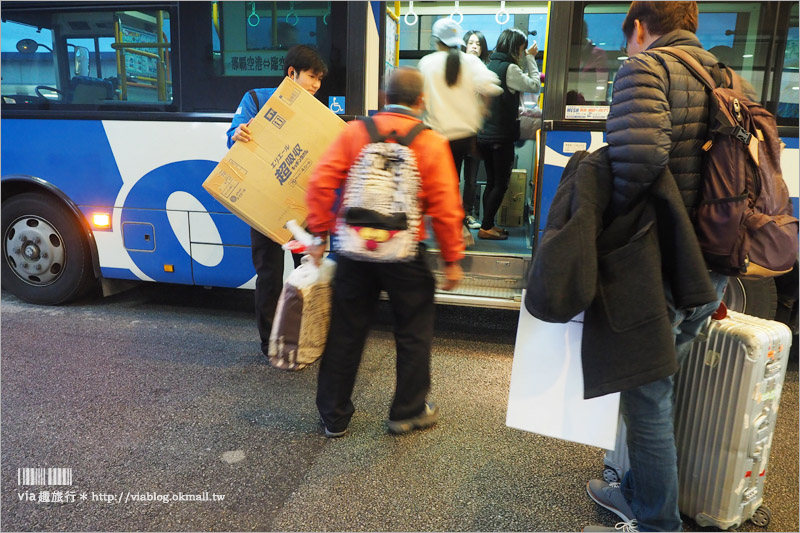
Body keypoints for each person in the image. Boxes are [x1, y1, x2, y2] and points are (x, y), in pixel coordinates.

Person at [582, 3, 746, 531]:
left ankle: (656, 522)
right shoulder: (727, 75)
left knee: (647, 393)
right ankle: (637, 491)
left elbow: (639, 157)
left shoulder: (645, 69)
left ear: (638, 27)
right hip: (713, 262)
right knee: (660, 382)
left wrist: (618, 227)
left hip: (661, 263)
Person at [305, 67, 466, 438]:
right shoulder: (431, 142)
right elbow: (445, 207)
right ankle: (406, 412)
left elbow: (320, 182)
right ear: (421, 101)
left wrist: (318, 234)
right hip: (404, 254)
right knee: (413, 331)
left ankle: (334, 415)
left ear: (383, 97)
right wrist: (452, 258)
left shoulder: (354, 133)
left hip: (353, 251)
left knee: (346, 331)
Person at [226, 44, 328, 358]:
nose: (316, 85)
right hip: (263, 205)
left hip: (303, 207)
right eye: (312, 77)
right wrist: (237, 132)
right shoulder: (256, 99)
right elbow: (232, 133)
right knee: (268, 275)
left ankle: (306, 335)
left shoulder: (317, 112)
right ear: (291, 73)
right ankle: (269, 340)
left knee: (310, 270)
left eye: (320, 80)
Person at [418, 19, 501, 233]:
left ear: (436, 41)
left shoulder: (427, 63)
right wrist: (483, 110)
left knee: (441, 185)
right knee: (463, 181)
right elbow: (491, 88)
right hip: (466, 137)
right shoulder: (471, 62)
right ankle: (457, 225)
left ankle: (445, 226)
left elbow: (420, 99)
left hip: (435, 136)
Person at [476, 28, 540, 240]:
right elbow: (534, 85)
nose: (522, 52)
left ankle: (488, 224)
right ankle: (486, 227)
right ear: (516, 47)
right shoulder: (510, 69)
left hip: (485, 135)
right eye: (522, 49)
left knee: (492, 181)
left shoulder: (489, 65)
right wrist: (531, 59)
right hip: (500, 136)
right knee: (500, 183)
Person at [462, 29, 490, 229]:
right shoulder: (457, 67)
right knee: (452, 178)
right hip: (456, 130)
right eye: (471, 42)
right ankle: (452, 215)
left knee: (471, 179)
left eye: (478, 44)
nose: (474, 46)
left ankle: (467, 214)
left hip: (475, 133)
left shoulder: (485, 71)